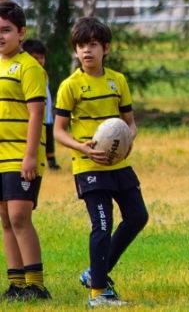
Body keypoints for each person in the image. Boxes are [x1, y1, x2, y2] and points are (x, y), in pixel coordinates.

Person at [53, 17, 149, 308]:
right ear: (75, 50)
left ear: (105, 48)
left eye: (93, 44)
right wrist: (82, 147)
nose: (87, 51)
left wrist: (128, 141)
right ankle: (98, 293)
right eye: (81, 46)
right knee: (102, 225)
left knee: (138, 217)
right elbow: (58, 131)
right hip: (89, 167)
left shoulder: (117, 81)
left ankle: (95, 273)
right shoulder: (70, 86)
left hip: (118, 165)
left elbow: (130, 123)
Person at [0, 1, 50, 301]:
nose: (1, 36)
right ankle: (16, 284)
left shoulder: (29, 67)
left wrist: (30, 156)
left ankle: (36, 285)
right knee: (5, 218)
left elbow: (36, 114)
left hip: (21, 154)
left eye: (6, 30)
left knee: (19, 216)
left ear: (21, 33)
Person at [21, 39, 61, 171]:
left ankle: (52, 162)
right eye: (35, 58)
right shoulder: (27, 73)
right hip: (33, 116)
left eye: (41, 58)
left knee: (48, 139)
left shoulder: (43, 74)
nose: (39, 61)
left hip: (46, 115)